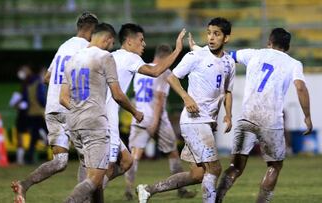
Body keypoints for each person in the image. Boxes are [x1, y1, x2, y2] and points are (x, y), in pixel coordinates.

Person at [137, 17, 236, 203]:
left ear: (226, 38)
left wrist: (228, 115)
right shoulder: (196, 56)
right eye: (209, 33)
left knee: (198, 174)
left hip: (206, 122)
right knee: (214, 169)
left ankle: (148, 190)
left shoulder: (229, 63)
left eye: (217, 34)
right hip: (193, 120)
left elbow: (228, 91)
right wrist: (186, 96)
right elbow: (172, 77)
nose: (211, 37)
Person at [213, 28, 313, 203]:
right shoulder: (293, 63)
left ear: (269, 42)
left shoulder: (253, 54)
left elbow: (226, 55)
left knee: (235, 167)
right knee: (274, 165)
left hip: (247, 116)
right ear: (287, 46)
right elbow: (300, 87)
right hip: (271, 120)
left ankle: (216, 199)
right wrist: (307, 116)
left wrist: (201, 51)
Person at [11, 12, 98, 202]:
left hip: (52, 108)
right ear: (92, 30)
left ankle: (24, 185)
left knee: (59, 162)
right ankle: (80, 200)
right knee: (89, 160)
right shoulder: (86, 48)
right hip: (70, 107)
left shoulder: (64, 46)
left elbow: (47, 78)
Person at [59, 22, 143, 203]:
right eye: (111, 44)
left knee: (101, 170)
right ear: (107, 39)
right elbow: (118, 95)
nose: (111, 48)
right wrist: (135, 112)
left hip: (74, 123)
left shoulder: (73, 59)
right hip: (95, 122)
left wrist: (80, 112)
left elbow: (63, 98)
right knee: (96, 178)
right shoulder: (105, 57)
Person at [99, 23, 186, 189]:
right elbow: (156, 72)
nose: (144, 44)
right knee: (108, 166)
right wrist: (177, 50)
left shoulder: (111, 56)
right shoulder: (131, 58)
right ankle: (86, 195)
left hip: (96, 114)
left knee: (127, 161)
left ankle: (95, 190)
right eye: (141, 40)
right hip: (107, 119)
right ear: (129, 41)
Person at [124, 44, 196, 200]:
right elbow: (159, 98)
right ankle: (181, 190)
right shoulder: (164, 71)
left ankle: (128, 190)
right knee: (173, 153)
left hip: (139, 115)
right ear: (166, 56)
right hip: (156, 118)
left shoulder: (140, 69)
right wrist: (155, 122)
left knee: (135, 155)